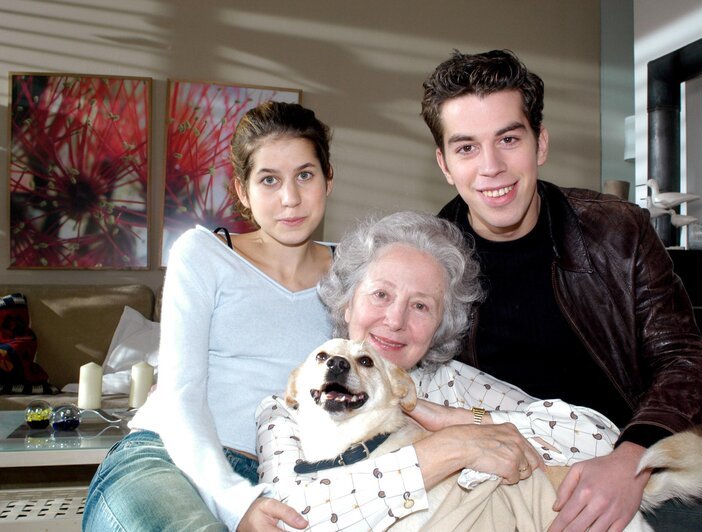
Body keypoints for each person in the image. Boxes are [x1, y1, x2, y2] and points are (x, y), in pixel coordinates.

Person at [421, 49, 702, 531]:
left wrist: (630, 460)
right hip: (509, 481)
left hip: (637, 461)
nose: (491, 166)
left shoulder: (618, 230)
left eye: (509, 139)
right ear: (444, 163)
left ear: (540, 143)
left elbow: (686, 362)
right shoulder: (425, 263)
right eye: (466, 148)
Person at [256, 211, 621, 530]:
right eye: (381, 294)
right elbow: (287, 518)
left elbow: (601, 440)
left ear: (440, 325)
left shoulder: (455, 383)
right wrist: (450, 449)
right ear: (348, 304)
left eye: (420, 306)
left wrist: (453, 418)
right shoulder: (289, 407)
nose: (395, 320)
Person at [83, 101, 336, 531]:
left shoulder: (357, 272)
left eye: (305, 175)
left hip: (289, 479)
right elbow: (180, 395)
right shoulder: (203, 254)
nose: (290, 198)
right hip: (167, 460)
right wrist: (235, 500)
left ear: (328, 179)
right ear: (242, 191)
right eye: (269, 179)